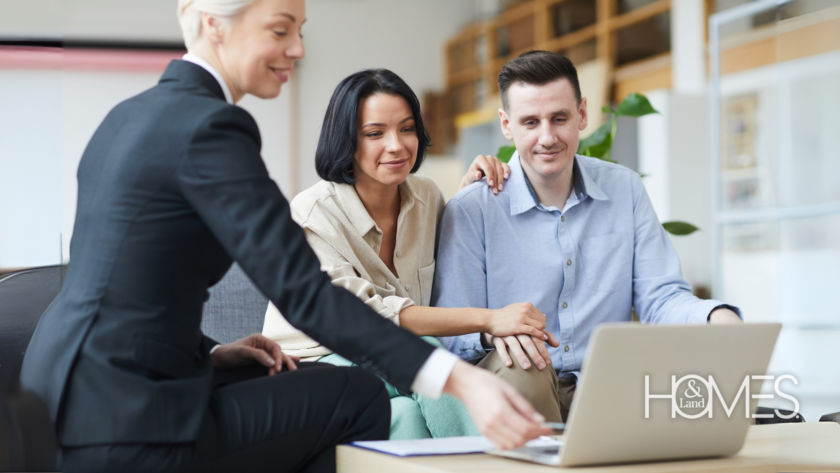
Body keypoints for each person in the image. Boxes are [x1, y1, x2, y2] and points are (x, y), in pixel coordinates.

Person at [18, 2, 552, 472]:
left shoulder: (130, 116)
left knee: (310, 389)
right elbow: (307, 292)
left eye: (299, 29)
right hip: (127, 418)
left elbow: (132, 283)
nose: (297, 47)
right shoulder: (211, 128)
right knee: (357, 395)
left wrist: (215, 353)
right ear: (214, 25)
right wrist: (457, 379)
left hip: (60, 391)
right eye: (280, 30)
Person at [433, 50, 743, 424]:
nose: (547, 137)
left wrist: (715, 317)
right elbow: (450, 333)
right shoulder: (471, 209)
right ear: (506, 124)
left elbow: (659, 298)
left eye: (559, 118)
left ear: (581, 114)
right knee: (524, 364)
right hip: (518, 385)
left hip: (608, 382)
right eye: (530, 122)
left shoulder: (624, 189)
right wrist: (491, 332)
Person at [263, 68, 559, 440]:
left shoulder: (427, 197)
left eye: (406, 129)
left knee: (402, 415)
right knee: (425, 352)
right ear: (345, 140)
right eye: (375, 133)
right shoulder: (312, 212)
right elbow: (366, 317)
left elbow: (455, 250)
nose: (397, 145)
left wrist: (470, 194)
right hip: (314, 362)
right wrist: (490, 319)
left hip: (389, 369)